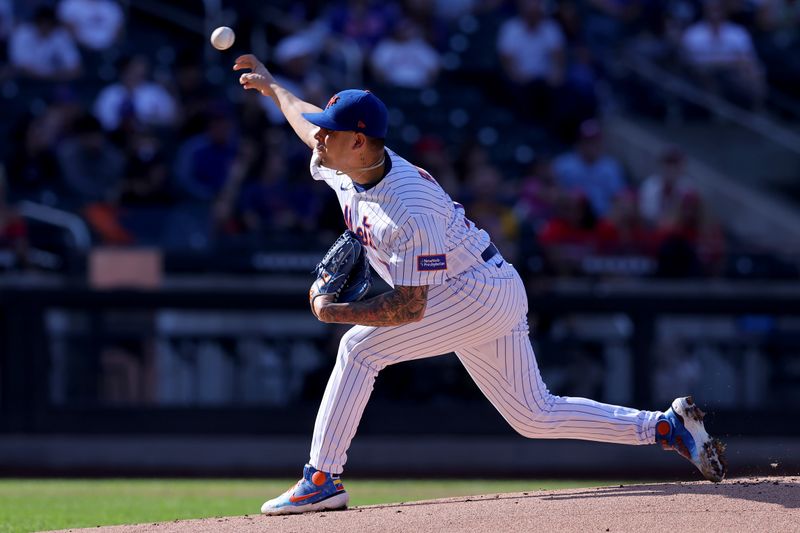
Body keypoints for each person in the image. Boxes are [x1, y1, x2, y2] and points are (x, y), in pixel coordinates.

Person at [232, 53, 727, 516]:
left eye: (330, 135)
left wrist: (332, 311)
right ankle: (666, 427)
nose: (319, 140)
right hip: (483, 283)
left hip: (474, 291)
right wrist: (275, 88)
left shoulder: (408, 206)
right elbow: (307, 119)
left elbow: (409, 308)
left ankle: (321, 478)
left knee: (359, 350)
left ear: (358, 141)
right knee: (533, 415)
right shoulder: (350, 165)